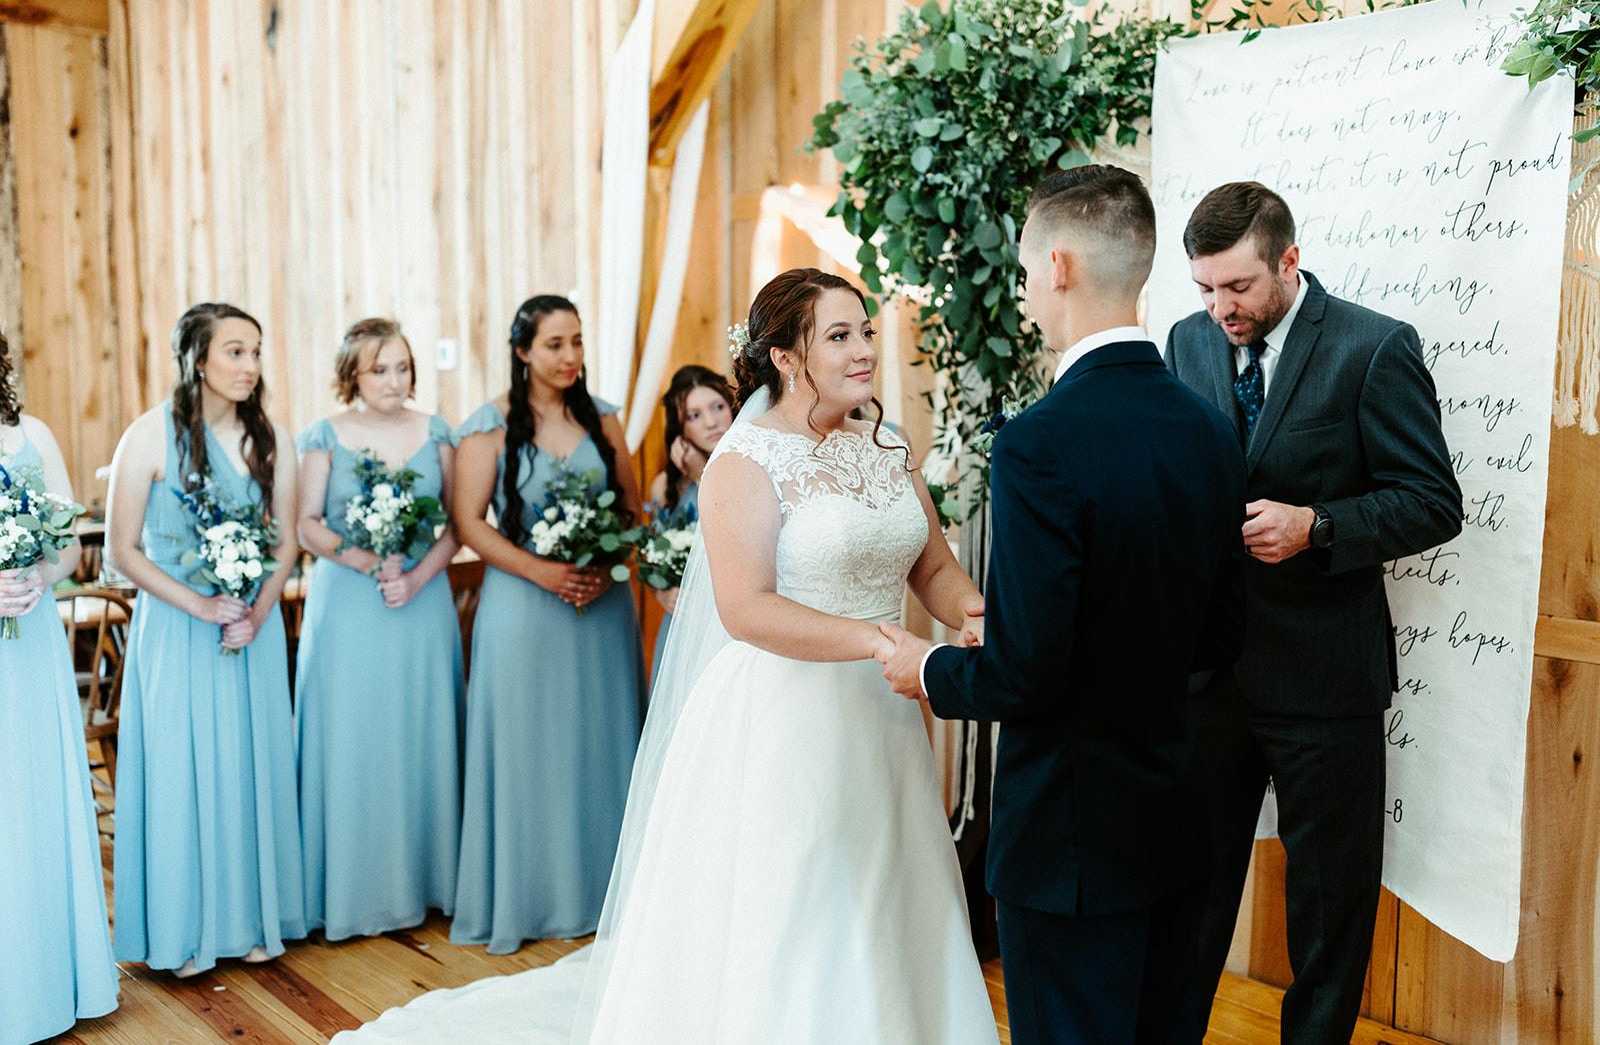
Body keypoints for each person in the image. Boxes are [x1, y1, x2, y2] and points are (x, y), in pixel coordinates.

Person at [331, 269, 1000, 1045]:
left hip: (886, 710)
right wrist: (883, 641)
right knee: (803, 902)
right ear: (786, 355)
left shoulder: (885, 443)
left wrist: (974, 610)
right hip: (793, 715)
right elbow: (746, 607)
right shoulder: (747, 458)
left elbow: (931, 566)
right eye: (840, 336)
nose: (864, 352)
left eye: (866, 333)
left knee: (892, 890)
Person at [879, 165, 1248, 1045]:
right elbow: (1220, 633)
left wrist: (927, 665)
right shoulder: (1207, 426)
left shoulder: (1038, 443)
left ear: (1062, 266)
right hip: (1172, 824)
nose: (1023, 290)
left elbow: (1024, 673)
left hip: (1071, 848)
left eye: (1023, 268)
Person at [1164, 181, 1462, 1045]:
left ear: (1289, 260)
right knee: (1189, 895)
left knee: (1329, 915)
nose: (1220, 308)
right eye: (1205, 288)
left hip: (1325, 679)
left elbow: (1432, 501)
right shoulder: (1185, 342)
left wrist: (1318, 526)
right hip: (1207, 677)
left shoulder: (1375, 347)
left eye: (1239, 288)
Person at [106, 302, 304, 977]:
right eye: (235, 352)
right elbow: (121, 551)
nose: (250, 366)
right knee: (182, 771)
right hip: (178, 626)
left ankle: (252, 919)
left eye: (255, 352)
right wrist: (201, 603)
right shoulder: (147, 436)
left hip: (252, 626)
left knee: (249, 768)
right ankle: (185, 927)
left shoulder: (269, 437)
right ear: (198, 360)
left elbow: (285, 540)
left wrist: (256, 609)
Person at [450, 295, 646, 954]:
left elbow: (632, 505)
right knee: (529, 746)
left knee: (601, 741)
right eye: (555, 344)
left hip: (601, 607)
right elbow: (469, 521)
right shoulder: (489, 424)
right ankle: (530, 896)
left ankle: (606, 893)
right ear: (523, 351)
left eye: (578, 343)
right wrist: (544, 572)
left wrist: (606, 556)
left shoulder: (605, 418)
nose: (570, 357)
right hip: (524, 605)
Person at [294, 318, 466, 941]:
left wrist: (416, 577)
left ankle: (429, 885)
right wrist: (370, 562)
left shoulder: (438, 431)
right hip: (348, 604)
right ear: (352, 374)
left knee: (418, 730)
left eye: (402, 367)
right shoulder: (323, 435)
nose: (394, 381)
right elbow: (306, 524)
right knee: (353, 736)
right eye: (379, 369)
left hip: (420, 602)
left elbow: (458, 523)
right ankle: (347, 893)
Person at [0, 335, 119, 1042]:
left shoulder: (31, 434)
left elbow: (69, 546)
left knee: (31, 797)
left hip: (30, 640)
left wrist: (34, 576)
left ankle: (40, 976)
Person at [644, 365, 733, 680]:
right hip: (687, 625)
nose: (711, 422)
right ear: (680, 429)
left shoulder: (754, 468)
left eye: (717, 407)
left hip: (733, 619)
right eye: (694, 416)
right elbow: (654, 560)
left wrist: (700, 475)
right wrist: (663, 593)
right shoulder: (665, 488)